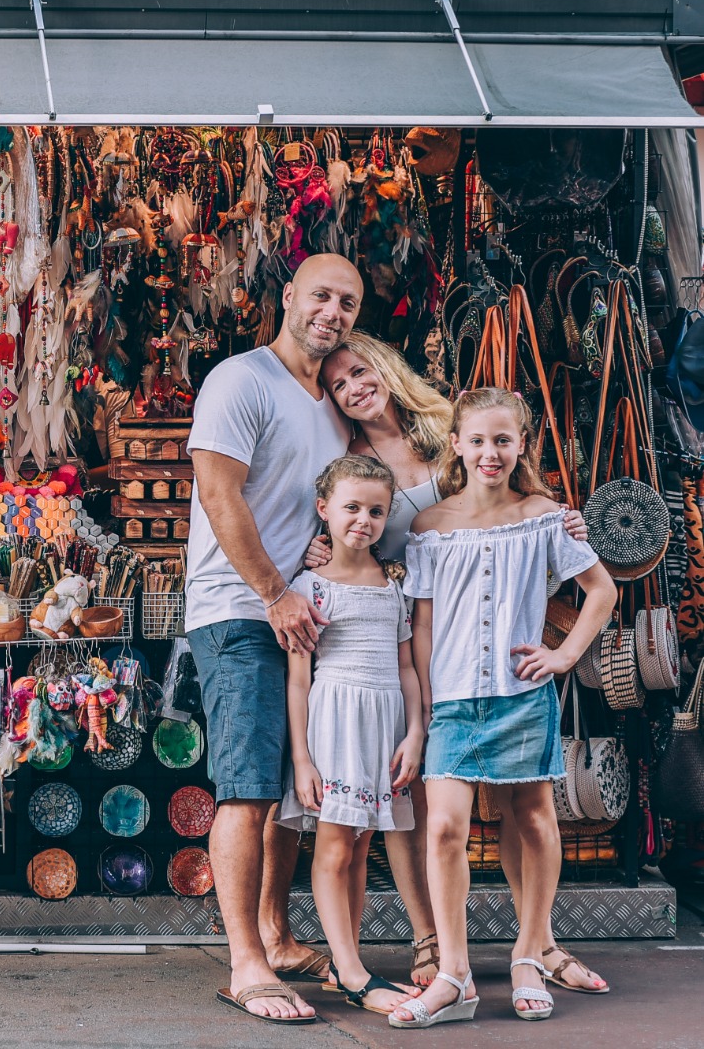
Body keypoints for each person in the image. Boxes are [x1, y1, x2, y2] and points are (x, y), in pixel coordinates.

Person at [310, 334, 602, 992]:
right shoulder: (351, 459)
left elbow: (518, 491)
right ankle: (438, 950)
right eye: (337, 384)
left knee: (521, 813)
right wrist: (314, 554)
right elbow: (352, 526)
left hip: (499, 669)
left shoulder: (445, 424)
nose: (353, 387)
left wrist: (563, 529)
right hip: (420, 667)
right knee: (420, 814)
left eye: (360, 371)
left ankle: (536, 946)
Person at [389, 388, 616, 1029]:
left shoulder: (543, 516)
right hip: (455, 701)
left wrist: (563, 655)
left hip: (522, 695)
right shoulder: (429, 528)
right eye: (479, 440)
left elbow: (598, 591)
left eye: (503, 440)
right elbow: (424, 621)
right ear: (456, 444)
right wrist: (429, 701)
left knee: (537, 819)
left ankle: (527, 955)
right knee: (442, 826)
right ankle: (455, 975)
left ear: (521, 446)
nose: (490, 452)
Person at [186, 252, 360, 1024]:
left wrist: (316, 559)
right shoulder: (239, 379)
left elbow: (314, 509)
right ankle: (245, 963)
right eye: (320, 295)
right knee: (248, 789)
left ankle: (278, 935)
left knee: (292, 796)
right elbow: (218, 494)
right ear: (287, 297)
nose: (332, 311)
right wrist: (274, 590)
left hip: (297, 610)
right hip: (240, 611)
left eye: (348, 304)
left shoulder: (328, 406)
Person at [277, 455, 423, 1016]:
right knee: (335, 845)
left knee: (362, 845)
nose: (363, 519)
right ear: (325, 511)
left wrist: (414, 733)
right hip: (335, 721)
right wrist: (304, 759)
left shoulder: (394, 585)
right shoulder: (310, 587)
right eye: (352, 508)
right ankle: (355, 973)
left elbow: (407, 668)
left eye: (376, 510)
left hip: (383, 725)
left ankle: (345, 962)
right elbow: (298, 681)